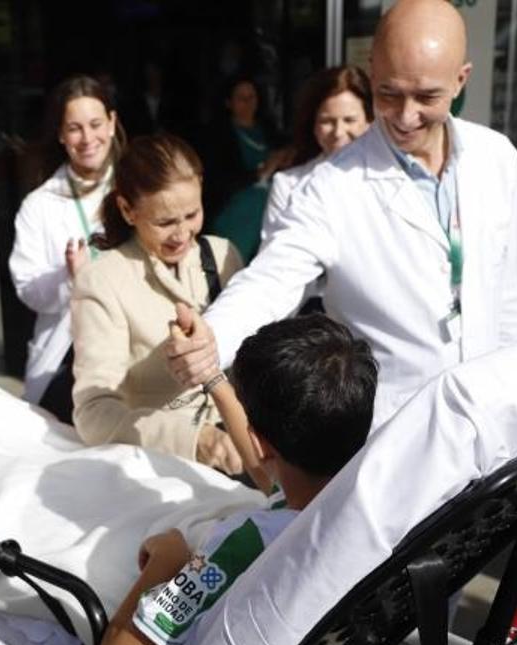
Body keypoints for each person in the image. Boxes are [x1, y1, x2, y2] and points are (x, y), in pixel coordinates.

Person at [164, 0, 517, 645]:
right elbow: (274, 279)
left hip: (484, 439)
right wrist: (216, 335)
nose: (403, 114)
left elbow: (513, 293)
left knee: (448, 590)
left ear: (462, 81)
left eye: (426, 97)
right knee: (361, 608)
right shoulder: (328, 188)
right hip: (387, 442)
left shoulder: (498, 158)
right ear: (370, 79)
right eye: (388, 93)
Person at [98, 314, 377, 645]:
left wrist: (169, 558)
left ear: (262, 444)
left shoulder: (239, 546)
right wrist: (213, 379)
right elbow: (268, 471)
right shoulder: (360, 500)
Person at [71, 133, 244, 475]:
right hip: (163, 468)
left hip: (246, 450)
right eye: (165, 222)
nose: (182, 234)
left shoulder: (224, 255)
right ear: (127, 210)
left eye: (192, 215)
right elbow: (94, 413)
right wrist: (196, 440)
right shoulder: (102, 280)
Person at [8, 75, 123, 419]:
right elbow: (28, 289)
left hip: (133, 349)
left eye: (95, 124)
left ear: (113, 123)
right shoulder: (39, 205)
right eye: (74, 128)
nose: (87, 138)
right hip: (68, 358)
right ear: (60, 135)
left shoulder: (138, 187)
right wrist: (69, 276)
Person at [261, 65, 373, 242]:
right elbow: (274, 258)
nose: (338, 132)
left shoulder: (392, 179)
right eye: (327, 121)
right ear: (313, 124)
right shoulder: (288, 185)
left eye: (349, 120)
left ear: (370, 121)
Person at [202, 75, 284, 262]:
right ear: (228, 102)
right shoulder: (217, 135)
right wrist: (260, 172)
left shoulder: (269, 131)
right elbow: (217, 180)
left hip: (271, 212)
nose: (248, 103)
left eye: (252, 97)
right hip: (234, 214)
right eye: (241, 98)